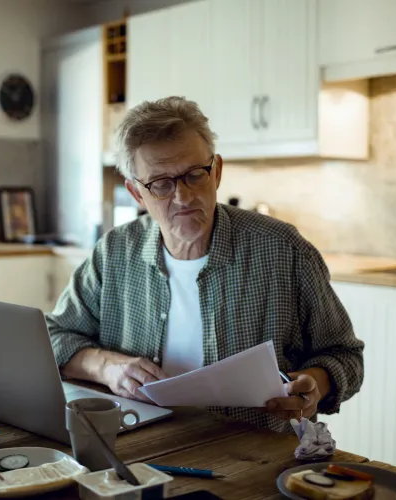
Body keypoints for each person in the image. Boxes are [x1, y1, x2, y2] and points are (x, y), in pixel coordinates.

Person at [46, 96, 364, 432]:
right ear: (137, 194)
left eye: (194, 175)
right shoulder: (114, 253)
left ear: (217, 172)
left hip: (255, 456)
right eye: (161, 184)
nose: (182, 197)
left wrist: (314, 385)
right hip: (139, 448)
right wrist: (106, 367)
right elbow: (54, 338)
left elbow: (345, 356)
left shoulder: (283, 250)